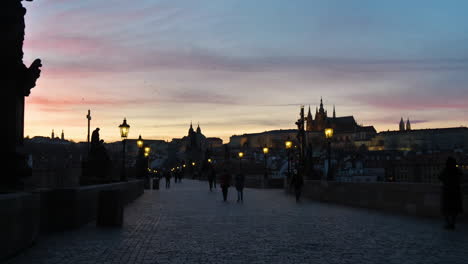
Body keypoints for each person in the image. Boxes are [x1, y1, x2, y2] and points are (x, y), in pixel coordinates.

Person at [439, 157, 463, 230]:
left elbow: (439, 177)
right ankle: (452, 223)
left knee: (446, 209)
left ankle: (448, 223)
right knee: (454, 209)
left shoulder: (445, 170)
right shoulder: (457, 170)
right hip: (455, 191)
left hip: (447, 191)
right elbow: (462, 175)